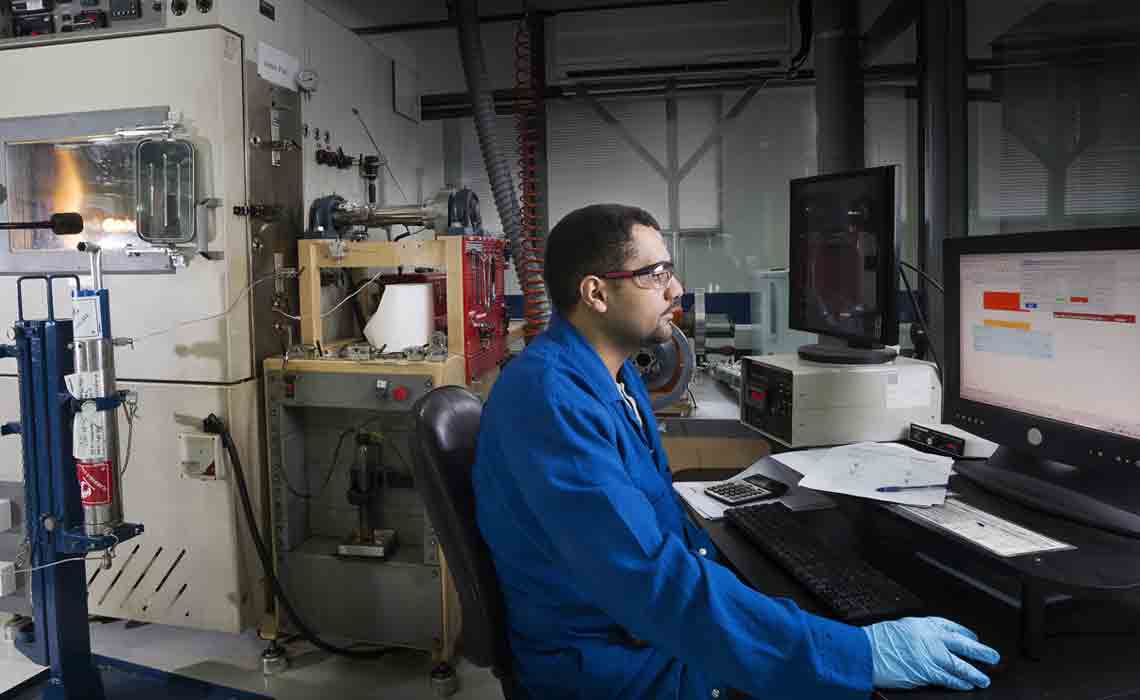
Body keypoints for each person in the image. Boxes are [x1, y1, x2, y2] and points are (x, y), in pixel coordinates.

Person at [472, 204, 1000, 699]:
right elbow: (651, 581)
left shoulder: (611, 376)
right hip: (614, 667)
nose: (675, 287)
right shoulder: (549, 400)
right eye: (655, 274)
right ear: (596, 293)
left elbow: (648, 535)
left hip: (637, 630)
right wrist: (857, 655)